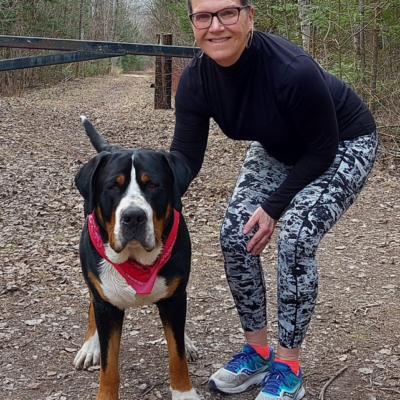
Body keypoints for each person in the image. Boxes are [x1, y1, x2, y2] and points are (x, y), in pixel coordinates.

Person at [170, 0, 378, 399]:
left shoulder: (291, 69)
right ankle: (258, 353)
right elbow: (184, 159)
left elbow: (322, 150)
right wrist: (145, 204)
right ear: (193, 24)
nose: (215, 27)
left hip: (342, 143)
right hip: (279, 147)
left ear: (249, 16)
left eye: (227, 13)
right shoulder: (196, 80)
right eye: (203, 16)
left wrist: (273, 208)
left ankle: (288, 367)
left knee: (296, 235)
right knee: (236, 233)